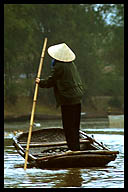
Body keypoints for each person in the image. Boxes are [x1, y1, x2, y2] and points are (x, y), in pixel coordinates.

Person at [36, 43, 84, 151]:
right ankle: (76, 148)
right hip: (77, 97)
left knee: (68, 126)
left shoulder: (59, 66)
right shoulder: (71, 64)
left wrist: (40, 82)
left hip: (68, 99)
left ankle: (73, 150)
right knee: (75, 126)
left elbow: (51, 81)